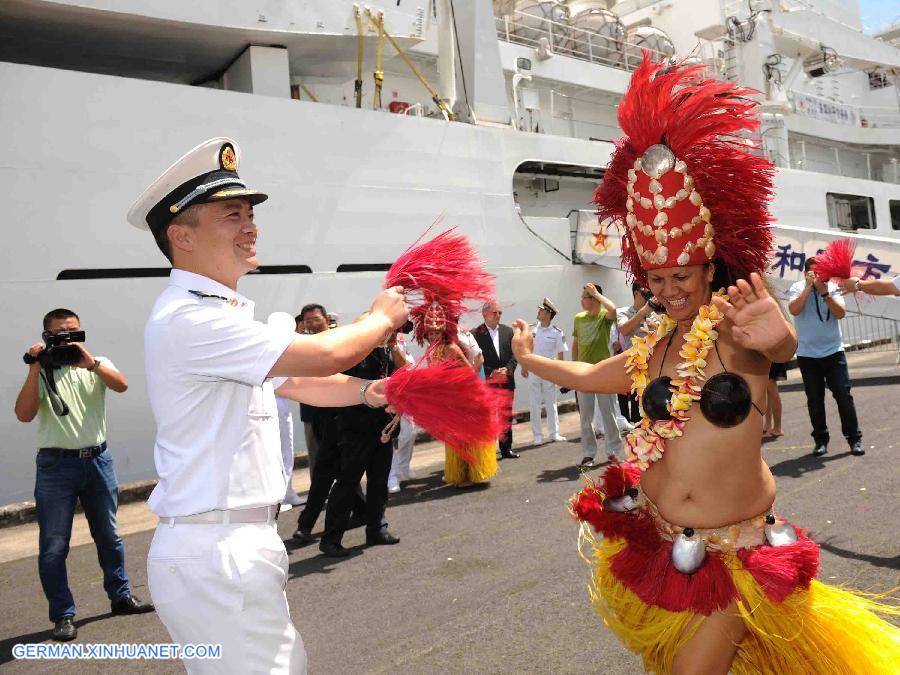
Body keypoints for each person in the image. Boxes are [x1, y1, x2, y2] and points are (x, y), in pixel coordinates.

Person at [510, 57, 899, 674]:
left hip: (731, 554)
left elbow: (775, 351)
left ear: (709, 268)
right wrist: (530, 360)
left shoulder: (734, 325)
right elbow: (591, 377)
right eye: (657, 278)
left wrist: (779, 341)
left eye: (681, 276)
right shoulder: (655, 347)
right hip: (661, 540)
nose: (669, 289)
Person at [128, 137, 408, 674]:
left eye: (250, 213)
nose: (250, 226)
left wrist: (371, 391)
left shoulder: (218, 317)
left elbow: (297, 383)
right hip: (219, 549)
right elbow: (325, 354)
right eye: (231, 215)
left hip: (230, 544)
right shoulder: (192, 320)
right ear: (181, 237)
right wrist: (382, 318)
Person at [14, 309, 153, 642]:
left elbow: (122, 385)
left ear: (81, 333)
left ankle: (121, 597)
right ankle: (62, 615)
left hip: (98, 460)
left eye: (73, 333)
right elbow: (23, 414)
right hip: (55, 466)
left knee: (109, 535)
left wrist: (89, 363)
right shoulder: (43, 370)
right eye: (59, 334)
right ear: (46, 336)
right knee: (53, 545)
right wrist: (36, 367)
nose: (67, 339)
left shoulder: (96, 362)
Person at [316, 320, 406, 557]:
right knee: (347, 482)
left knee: (379, 481)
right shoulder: (354, 354)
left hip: (382, 427)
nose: (390, 335)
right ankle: (331, 538)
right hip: (355, 428)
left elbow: (404, 371)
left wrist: (394, 347)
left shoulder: (387, 351)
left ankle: (377, 528)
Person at [788, 258, 863, 457]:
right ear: (805, 274)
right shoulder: (797, 287)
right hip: (807, 354)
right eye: (813, 273)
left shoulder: (832, 287)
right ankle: (820, 440)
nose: (817, 277)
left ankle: (854, 438)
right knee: (814, 400)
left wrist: (825, 293)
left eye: (820, 273)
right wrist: (807, 288)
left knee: (844, 397)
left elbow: (840, 314)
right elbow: (794, 309)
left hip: (833, 352)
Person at [419, 302, 498, 486]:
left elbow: (470, 370)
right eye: (430, 333)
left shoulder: (452, 348)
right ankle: (459, 474)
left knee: (465, 436)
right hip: (447, 398)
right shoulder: (430, 351)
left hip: (463, 397)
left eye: (436, 332)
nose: (433, 336)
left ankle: (473, 473)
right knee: (453, 438)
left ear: (443, 332)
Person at [572, 283, 623, 468]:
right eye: (583, 296)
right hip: (583, 373)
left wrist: (596, 294)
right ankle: (588, 453)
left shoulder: (603, 317)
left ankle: (614, 451)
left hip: (603, 372)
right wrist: (573, 368)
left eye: (586, 296)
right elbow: (576, 344)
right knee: (585, 417)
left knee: (608, 414)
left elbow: (613, 309)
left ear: (594, 298)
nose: (582, 299)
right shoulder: (578, 318)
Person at [473, 301, 519, 459]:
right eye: (495, 313)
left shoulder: (508, 331)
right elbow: (473, 360)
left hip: (506, 381)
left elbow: (515, 355)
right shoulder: (475, 334)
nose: (498, 315)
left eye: (500, 313)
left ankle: (506, 448)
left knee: (506, 415)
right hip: (488, 382)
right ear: (485, 314)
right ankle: (488, 451)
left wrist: (508, 370)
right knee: (488, 416)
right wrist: (490, 373)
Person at [521, 297, 567, 445]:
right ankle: (537, 436)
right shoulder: (531, 329)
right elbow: (526, 350)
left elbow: (560, 354)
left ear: (548, 313)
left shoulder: (557, 332)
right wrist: (524, 366)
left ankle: (554, 433)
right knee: (534, 404)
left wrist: (561, 374)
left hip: (549, 370)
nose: (538, 312)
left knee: (551, 402)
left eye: (541, 310)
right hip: (534, 369)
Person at [296, 303, 330, 476]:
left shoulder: (339, 341)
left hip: (339, 408)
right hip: (311, 410)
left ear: (327, 319)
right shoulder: (299, 344)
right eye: (308, 321)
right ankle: (320, 496)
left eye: (316, 319)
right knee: (316, 456)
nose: (312, 324)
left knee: (345, 455)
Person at [615, 283, 657, 423]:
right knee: (638, 415)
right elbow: (624, 330)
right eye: (647, 290)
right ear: (637, 293)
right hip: (635, 369)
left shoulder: (656, 313)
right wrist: (644, 311)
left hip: (655, 367)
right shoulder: (623, 312)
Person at [764, 361, 786, 438]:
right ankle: (768, 425)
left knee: (771, 389)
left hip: (770, 358)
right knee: (768, 391)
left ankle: (777, 428)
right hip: (768, 357)